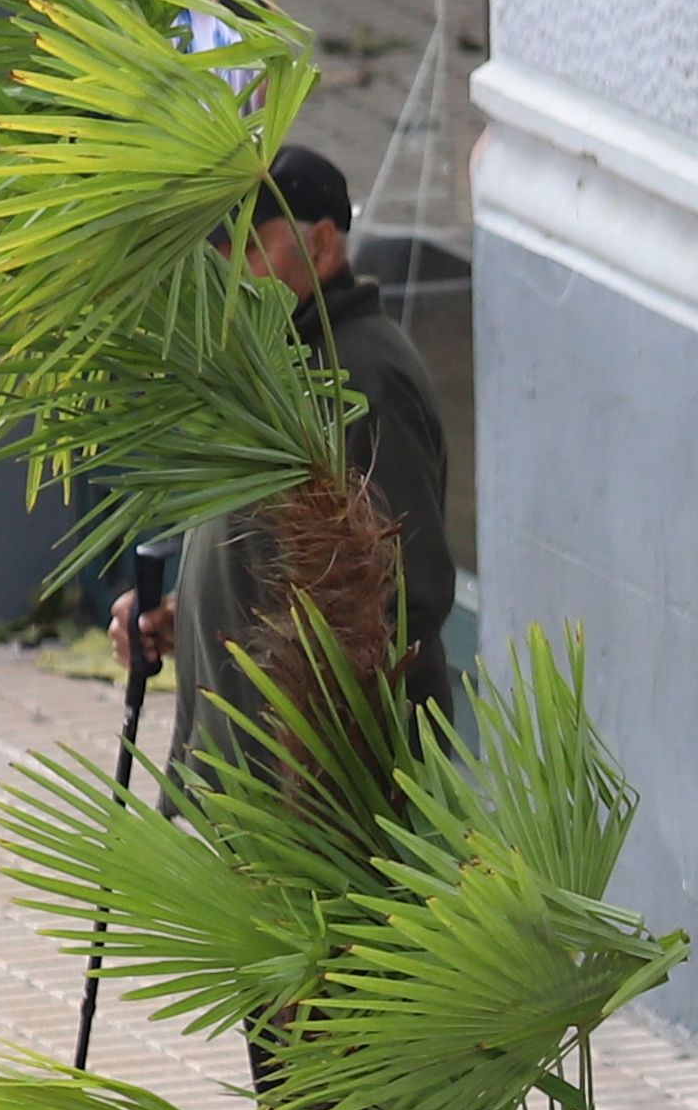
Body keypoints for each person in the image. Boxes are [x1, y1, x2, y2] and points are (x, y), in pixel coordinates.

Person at [125, 142, 459, 727]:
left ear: (322, 244)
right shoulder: (272, 363)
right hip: (246, 770)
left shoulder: (361, 377)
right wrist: (192, 614)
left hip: (312, 788)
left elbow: (403, 597)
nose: (229, 275)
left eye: (251, 250)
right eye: (220, 254)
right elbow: (278, 559)